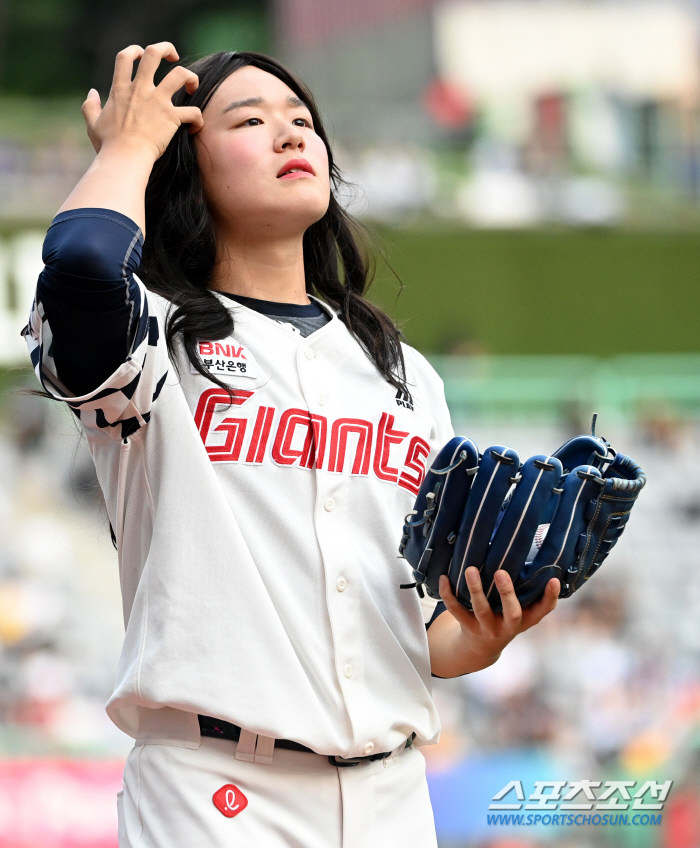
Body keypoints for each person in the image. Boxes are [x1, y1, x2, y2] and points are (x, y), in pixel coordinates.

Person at [24, 43, 560, 848]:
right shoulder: (156, 340)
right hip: (216, 793)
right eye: (249, 120)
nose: (289, 135)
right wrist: (132, 147)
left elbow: (420, 636)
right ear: (187, 170)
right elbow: (83, 263)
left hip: (392, 793)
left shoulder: (401, 371)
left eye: (302, 120)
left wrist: (481, 636)